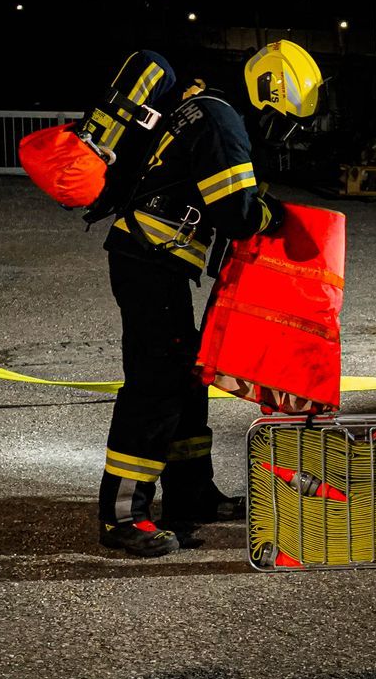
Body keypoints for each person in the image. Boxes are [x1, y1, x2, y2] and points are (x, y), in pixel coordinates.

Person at [96, 41, 323, 556]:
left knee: (186, 379)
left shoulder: (207, 107)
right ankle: (122, 515)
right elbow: (237, 214)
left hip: (155, 259)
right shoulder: (222, 123)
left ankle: (192, 493)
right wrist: (275, 215)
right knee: (155, 387)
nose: (283, 133)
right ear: (268, 97)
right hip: (149, 261)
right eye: (283, 120)